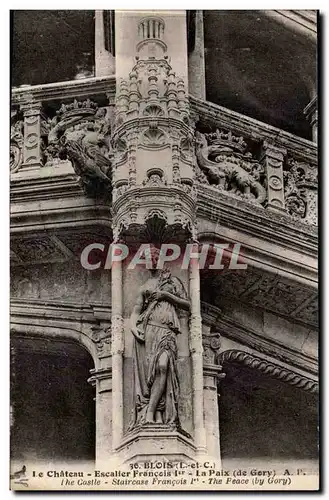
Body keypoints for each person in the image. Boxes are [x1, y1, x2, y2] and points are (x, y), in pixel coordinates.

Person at [129, 249, 190, 427]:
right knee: (152, 373)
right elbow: (135, 312)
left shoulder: (173, 281)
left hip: (167, 331)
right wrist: (134, 328)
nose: (153, 261)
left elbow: (187, 304)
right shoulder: (145, 286)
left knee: (163, 366)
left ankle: (151, 411)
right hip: (150, 331)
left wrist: (166, 295)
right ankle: (155, 414)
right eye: (149, 259)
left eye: (156, 258)